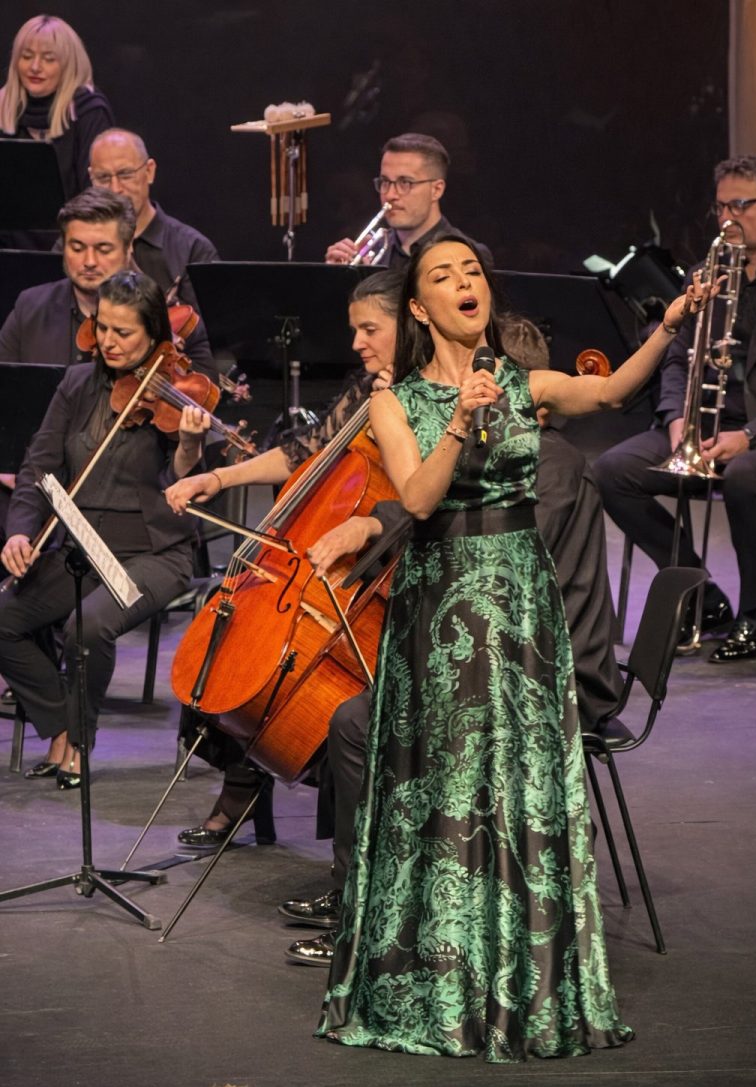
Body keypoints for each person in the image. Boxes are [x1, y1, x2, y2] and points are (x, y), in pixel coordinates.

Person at [314, 234, 710, 1061]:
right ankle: (441, 981)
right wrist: (460, 424)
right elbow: (419, 499)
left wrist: (670, 325)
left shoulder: (525, 385)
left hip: (521, 602)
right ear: (420, 307)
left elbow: (610, 390)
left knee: (516, 785)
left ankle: (520, 981)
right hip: (442, 603)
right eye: (444, 275)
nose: (466, 282)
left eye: (473, 272)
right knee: (445, 785)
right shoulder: (394, 402)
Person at [283, 321, 626, 967]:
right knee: (369, 703)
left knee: (359, 722)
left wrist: (383, 524)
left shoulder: (546, 468)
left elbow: (475, 547)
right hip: (504, 654)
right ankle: (379, 892)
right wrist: (373, 521)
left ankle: (366, 916)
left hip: (552, 673)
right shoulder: (522, 456)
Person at [162, 269, 405, 847]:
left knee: (303, 675)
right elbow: (303, 454)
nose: (356, 343)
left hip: (389, 566)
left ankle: (354, 846)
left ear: (410, 323)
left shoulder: (432, 395)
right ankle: (241, 786)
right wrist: (219, 478)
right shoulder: (366, 388)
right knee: (234, 620)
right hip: (329, 560)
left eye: (370, 329)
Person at [0, 270, 207, 788]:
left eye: (124, 332)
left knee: (86, 626)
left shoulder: (174, 394)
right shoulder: (77, 383)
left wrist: (188, 446)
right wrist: (20, 532)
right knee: (3, 618)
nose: (109, 342)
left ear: (154, 335)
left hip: (153, 553)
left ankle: (79, 740)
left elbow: (185, 482)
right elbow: (38, 466)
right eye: (103, 328)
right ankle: (60, 727)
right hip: (83, 548)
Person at [593, 155, 756, 663]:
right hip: (703, 426)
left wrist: (751, 436)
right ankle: (701, 595)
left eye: (741, 205)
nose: (728, 219)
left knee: (747, 477)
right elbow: (676, 359)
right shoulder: (705, 274)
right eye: (721, 208)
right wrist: (675, 420)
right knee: (613, 470)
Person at [0, 186, 217, 378]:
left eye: (103, 249)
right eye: (77, 248)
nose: (89, 261)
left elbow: (203, 394)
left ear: (128, 247)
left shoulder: (172, 320)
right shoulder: (29, 307)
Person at [88, 129, 219, 310]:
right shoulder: (74, 246)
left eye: (125, 174)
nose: (115, 189)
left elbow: (211, 325)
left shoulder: (193, 250)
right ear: (91, 178)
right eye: (103, 178)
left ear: (149, 171)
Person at [324, 133, 490, 268]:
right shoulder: (370, 251)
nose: (390, 195)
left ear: (436, 190)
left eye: (405, 183)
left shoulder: (469, 255)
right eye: (385, 182)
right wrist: (337, 279)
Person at [0, 15, 114, 206]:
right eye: (26, 57)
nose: (35, 67)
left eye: (49, 59)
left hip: (75, 222)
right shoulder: (3, 105)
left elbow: (97, 195)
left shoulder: (88, 110)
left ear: (68, 66)